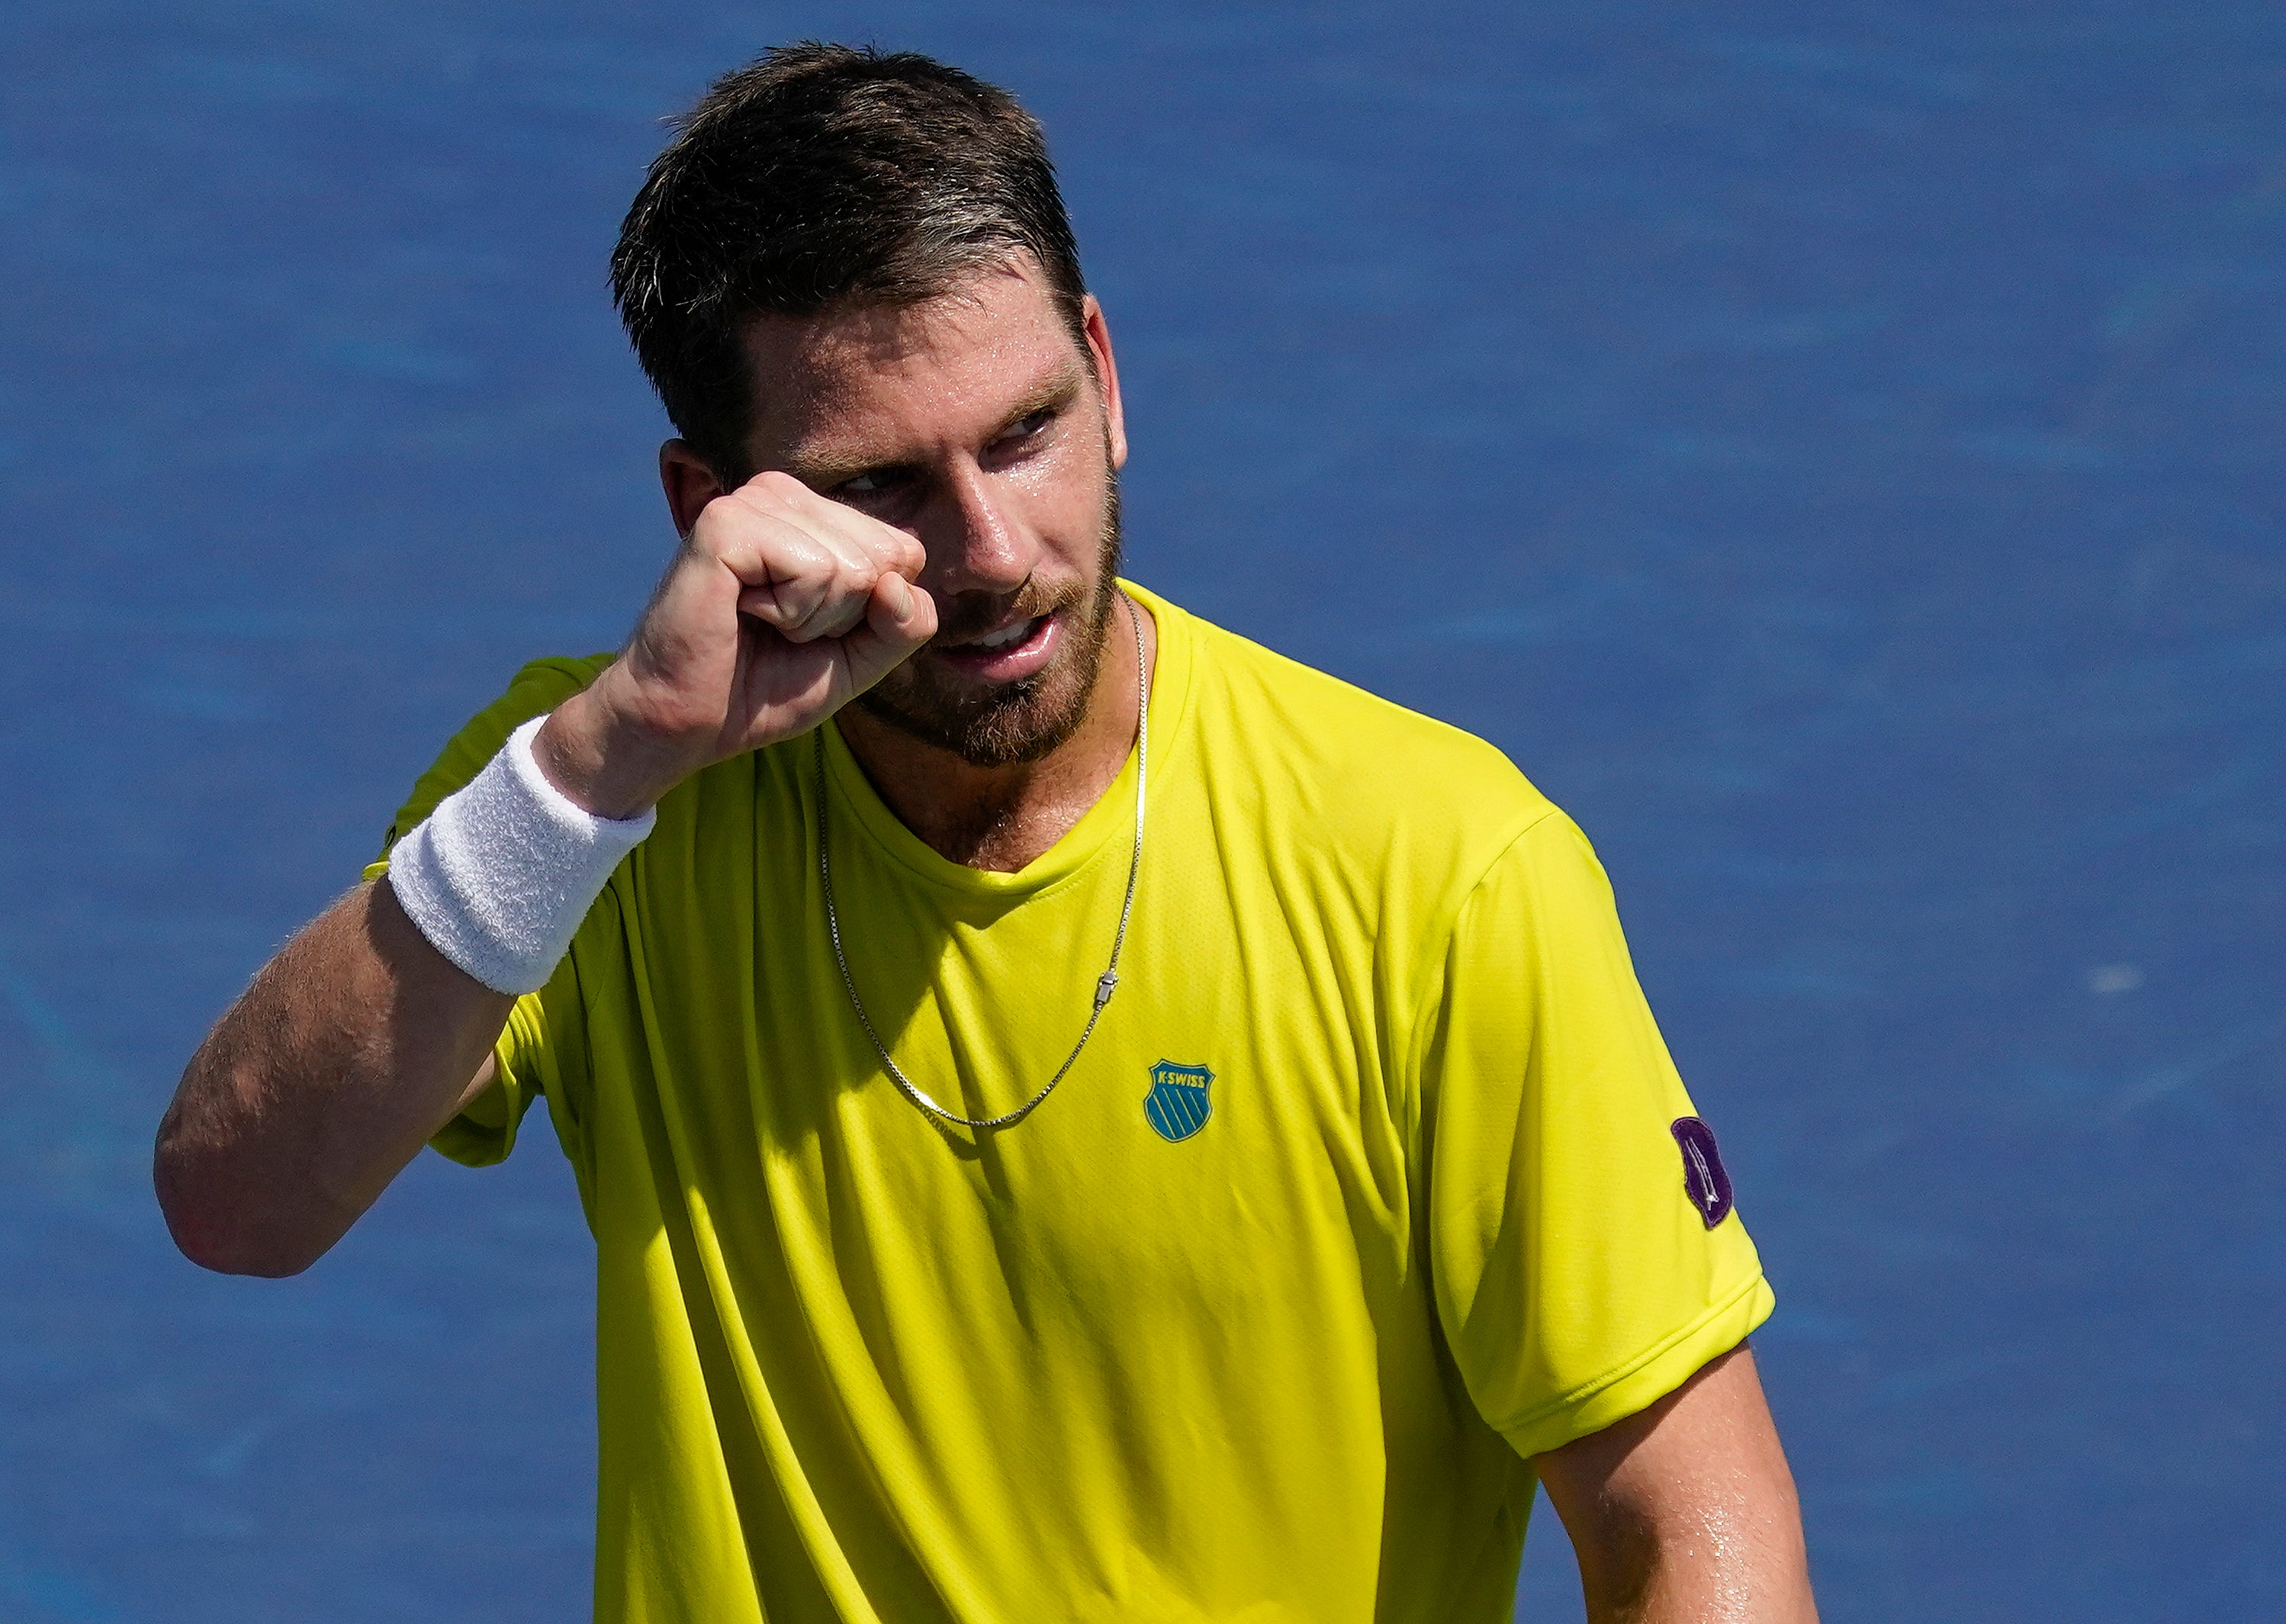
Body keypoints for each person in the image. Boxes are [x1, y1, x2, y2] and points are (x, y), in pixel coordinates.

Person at [154, 42, 1815, 1624]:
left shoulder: (1440, 870)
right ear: (711, 506)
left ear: (1104, 374)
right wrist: (597, 772)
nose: (991, 547)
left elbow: (1683, 1520)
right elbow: (238, 1203)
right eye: (879, 484)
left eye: (1024, 434)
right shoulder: (591, 812)